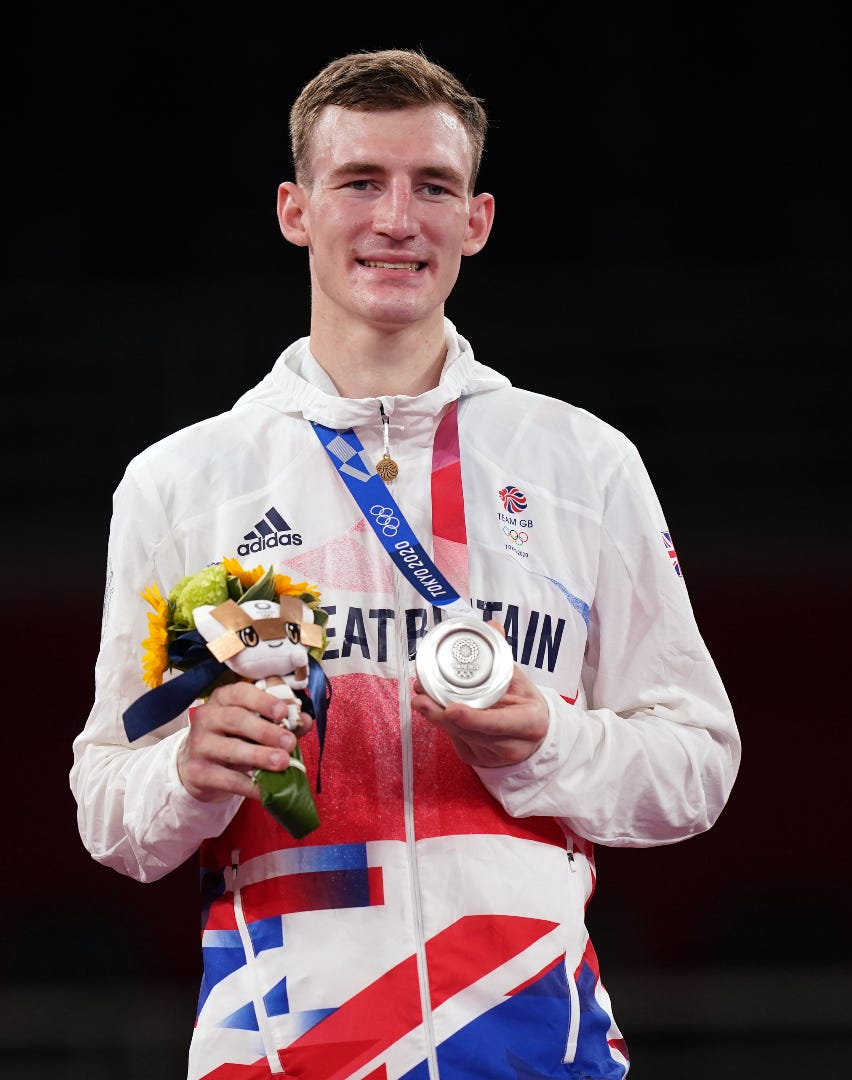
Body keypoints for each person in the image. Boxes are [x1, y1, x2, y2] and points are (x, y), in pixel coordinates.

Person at [69, 48, 739, 1079]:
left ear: (476, 220)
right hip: (282, 1048)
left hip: (533, 1038)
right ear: (296, 209)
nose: (396, 219)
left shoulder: (583, 464)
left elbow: (697, 767)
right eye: (360, 184)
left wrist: (545, 741)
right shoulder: (185, 482)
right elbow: (112, 809)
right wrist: (189, 773)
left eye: (433, 186)